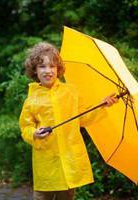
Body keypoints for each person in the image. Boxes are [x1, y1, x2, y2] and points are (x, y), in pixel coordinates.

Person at [19, 42, 118, 200]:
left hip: (69, 163)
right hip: (46, 164)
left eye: (52, 66)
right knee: (41, 197)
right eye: (42, 66)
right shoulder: (31, 100)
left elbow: (84, 117)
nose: (48, 71)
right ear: (35, 71)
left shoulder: (71, 92)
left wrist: (102, 106)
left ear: (58, 69)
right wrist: (34, 134)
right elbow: (25, 127)